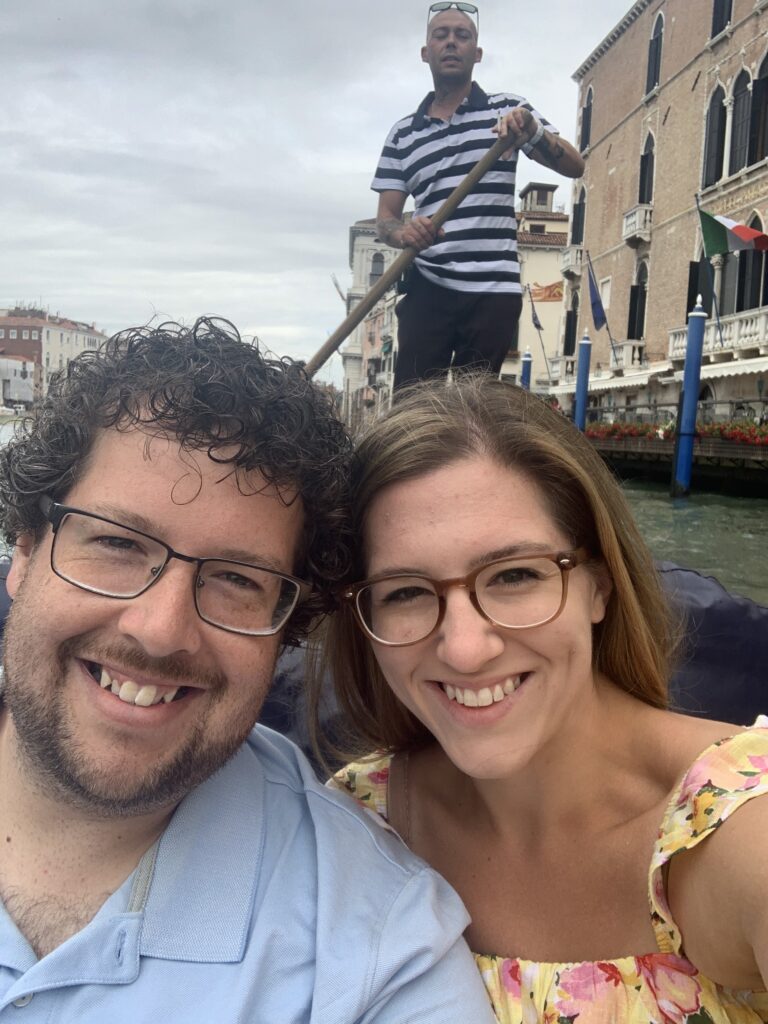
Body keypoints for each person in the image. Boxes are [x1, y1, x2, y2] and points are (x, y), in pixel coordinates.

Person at [0, 320, 497, 1024]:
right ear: (24, 551)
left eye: (236, 579)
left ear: (285, 628)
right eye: (116, 543)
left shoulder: (382, 953)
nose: (160, 630)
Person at [322, 375, 768, 1023]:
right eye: (407, 592)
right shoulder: (357, 822)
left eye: (514, 575)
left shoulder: (739, 824)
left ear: (598, 586)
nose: (465, 650)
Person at [373, 2, 584, 390]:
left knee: (476, 408)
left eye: (463, 35)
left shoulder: (509, 112)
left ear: (478, 52)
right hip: (429, 284)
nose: (451, 42)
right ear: (426, 52)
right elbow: (385, 218)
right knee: (414, 406)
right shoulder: (402, 134)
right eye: (441, 35)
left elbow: (574, 165)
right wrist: (403, 233)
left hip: (493, 291)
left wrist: (532, 131)